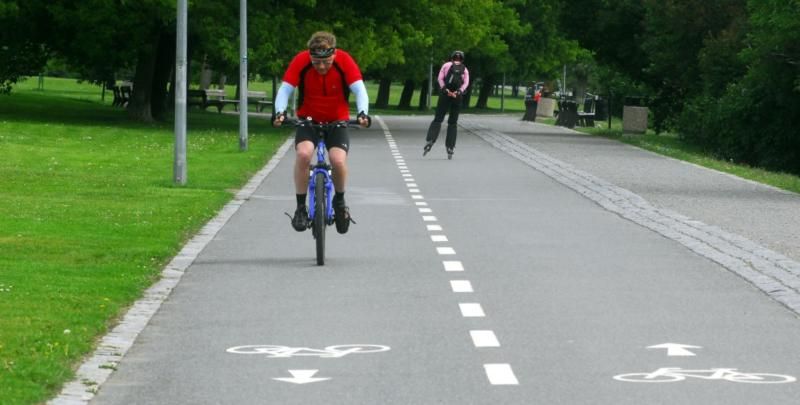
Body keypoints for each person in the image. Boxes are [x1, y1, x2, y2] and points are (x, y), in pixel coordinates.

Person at [273, 31, 371, 234]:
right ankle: (301, 207)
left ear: (334, 54)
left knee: (337, 160)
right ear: (310, 56)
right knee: (303, 154)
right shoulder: (301, 60)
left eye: (326, 62)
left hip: (337, 120)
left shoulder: (344, 60)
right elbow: (285, 89)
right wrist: (280, 113)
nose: (321, 66)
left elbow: (359, 89)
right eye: (316, 62)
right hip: (308, 120)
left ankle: (340, 201)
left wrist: (363, 114)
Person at [423, 50, 470, 160]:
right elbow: (466, 83)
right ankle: (450, 147)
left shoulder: (446, 65)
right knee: (453, 122)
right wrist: (458, 92)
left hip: (445, 94)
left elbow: (440, 78)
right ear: (462, 59)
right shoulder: (465, 69)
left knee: (438, 118)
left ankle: (430, 140)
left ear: (452, 57)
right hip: (457, 96)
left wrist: (446, 90)